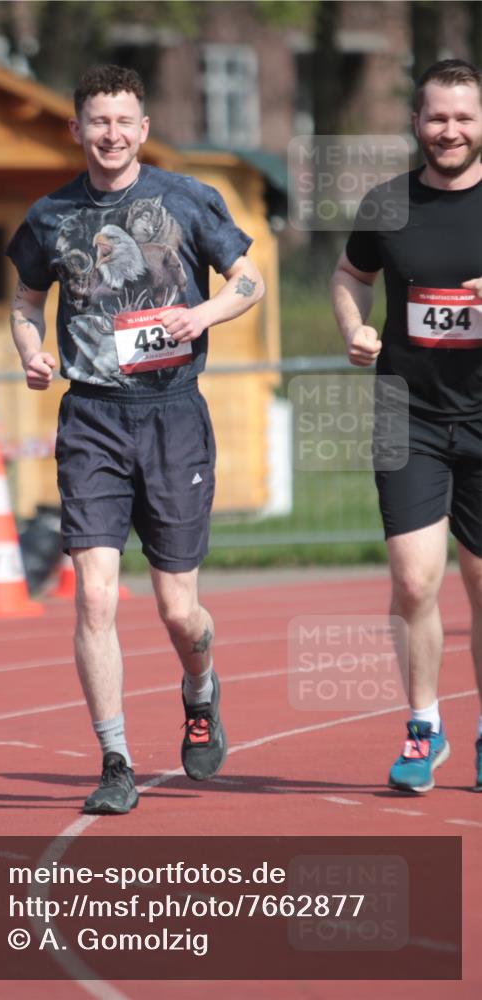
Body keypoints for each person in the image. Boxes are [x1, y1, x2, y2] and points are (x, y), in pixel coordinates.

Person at [6, 64, 264, 814]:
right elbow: (25, 302)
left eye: (124, 121)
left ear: (142, 130)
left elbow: (248, 280)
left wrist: (203, 317)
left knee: (178, 611)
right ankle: (114, 759)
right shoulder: (49, 215)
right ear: (77, 129)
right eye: (98, 121)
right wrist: (30, 351)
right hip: (90, 417)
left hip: (172, 415)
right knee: (93, 597)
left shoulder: (185, 198)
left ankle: (200, 688)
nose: (110, 134)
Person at [331, 59, 482, 793]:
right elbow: (347, 276)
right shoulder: (385, 202)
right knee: (413, 580)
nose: (448, 130)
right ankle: (423, 727)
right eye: (436, 117)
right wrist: (352, 329)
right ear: (415, 122)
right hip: (407, 413)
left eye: (463, 117)